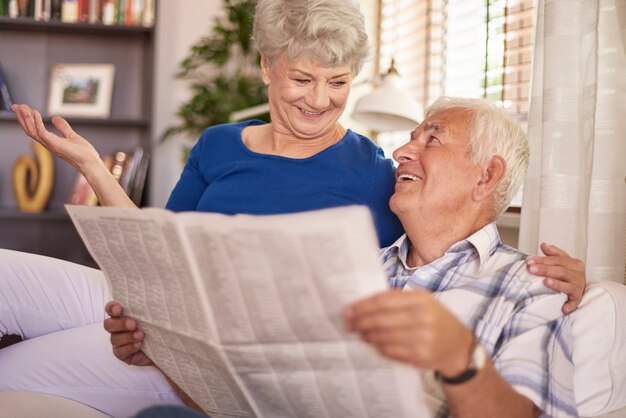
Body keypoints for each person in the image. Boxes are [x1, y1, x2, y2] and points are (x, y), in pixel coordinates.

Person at [1, 0, 583, 416]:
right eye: (302, 78)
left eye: (338, 82)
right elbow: (160, 246)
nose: (320, 100)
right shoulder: (220, 144)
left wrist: (564, 274)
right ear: (267, 69)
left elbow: (457, 232)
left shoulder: (380, 176)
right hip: (162, 307)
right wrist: (94, 167)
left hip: (207, 348)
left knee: (16, 375)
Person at [344, 97, 577, 417]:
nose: (400, 153)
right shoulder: (354, 267)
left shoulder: (534, 287)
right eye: (412, 138)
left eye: (433, 139)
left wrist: (460, 355)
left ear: (486, 176)